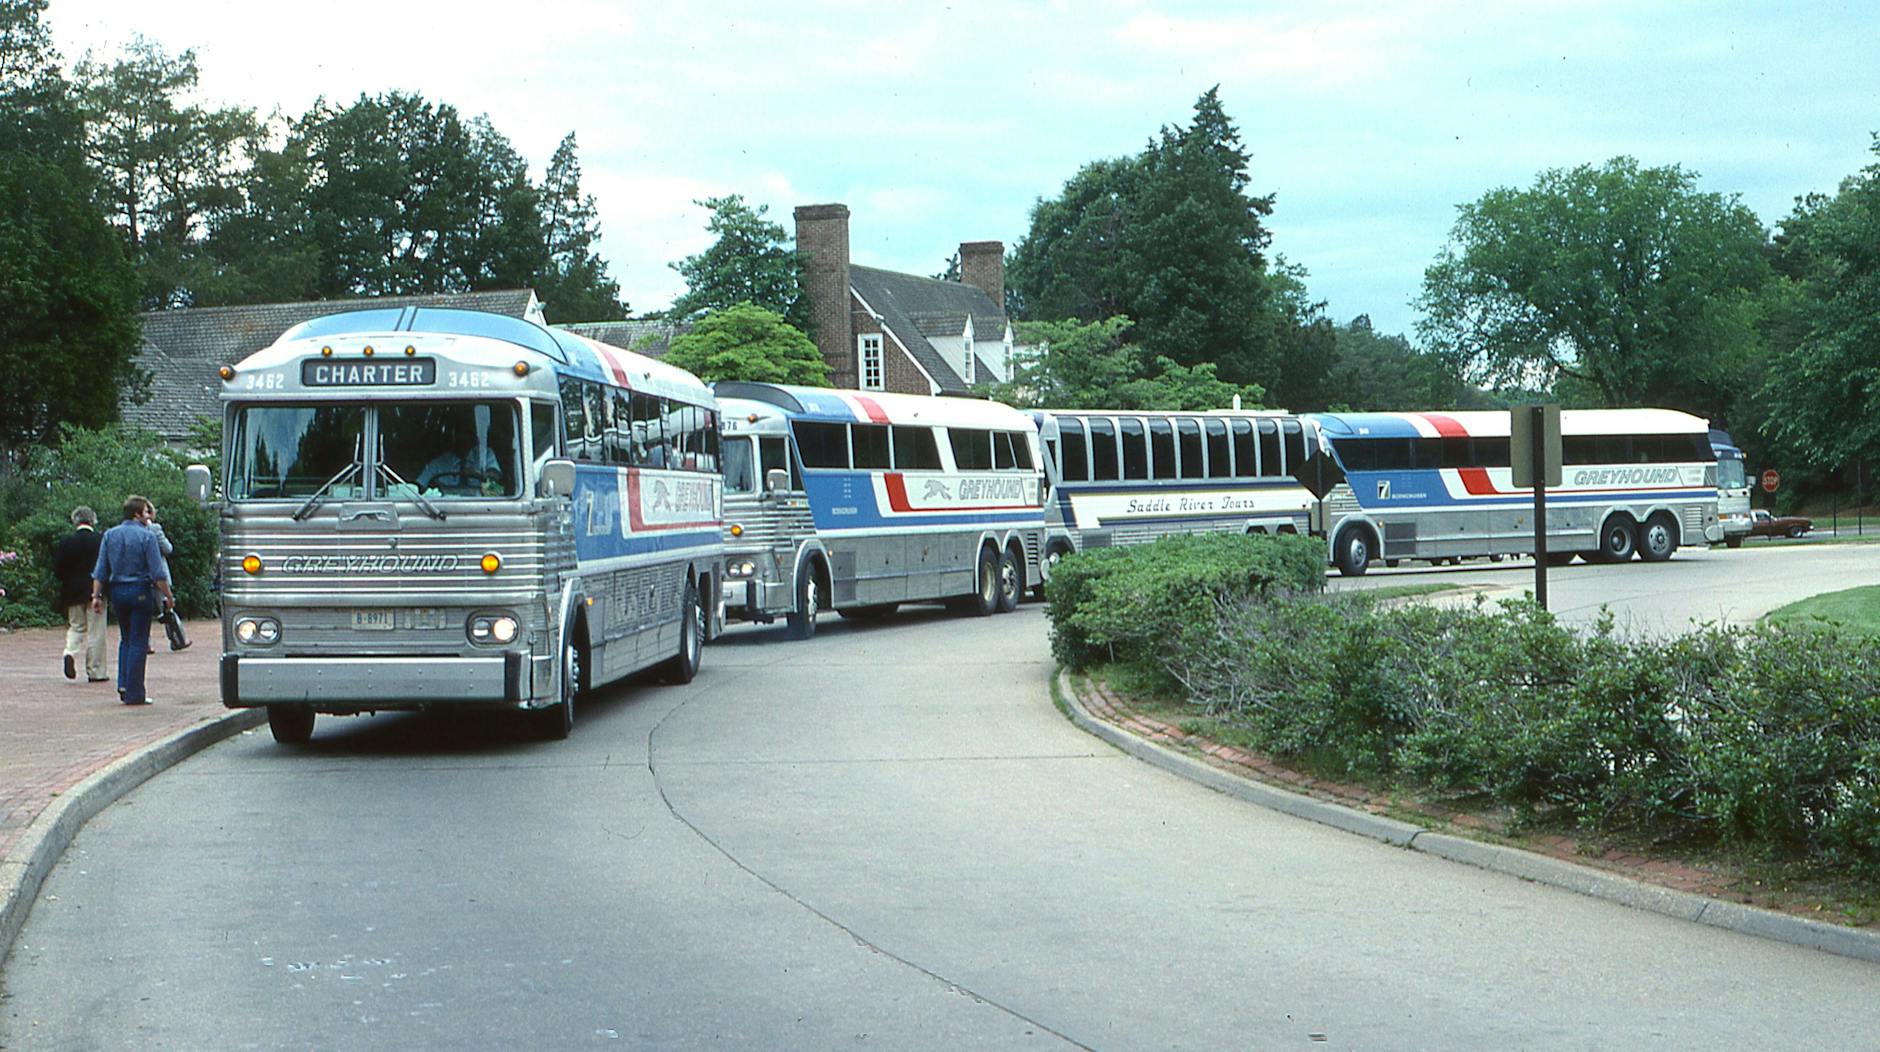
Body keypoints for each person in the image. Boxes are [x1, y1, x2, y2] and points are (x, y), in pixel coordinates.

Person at [90, 495, 174, 705]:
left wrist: (96, 596)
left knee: (125, 639)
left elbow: (101, 570)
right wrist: (168, 595)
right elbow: (157, 572)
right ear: (137, 514)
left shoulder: (110, 535)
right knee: (139, 640)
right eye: (146, 512)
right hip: (140, 589)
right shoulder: (147, 537)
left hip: (117, 590)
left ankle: (124, 684)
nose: (149, 516)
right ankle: (135, 691)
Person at [53, 506, 108, 682]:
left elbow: (58, 569)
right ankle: (96, 671)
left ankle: (70, 651)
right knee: (96, 630)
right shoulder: (100, 540)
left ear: (74, 520)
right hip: (95, 590)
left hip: (72, 591)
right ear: (93, 520)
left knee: (76, 626)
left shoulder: (66, 541)